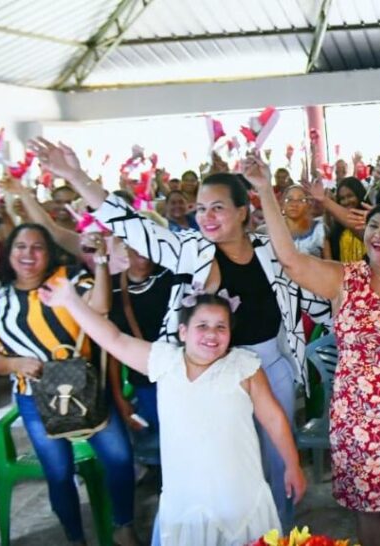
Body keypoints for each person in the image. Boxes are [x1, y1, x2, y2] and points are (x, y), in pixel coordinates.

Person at [33, 138, 329, 532]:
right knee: (222, 467)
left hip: (268, 367)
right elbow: (135, 227)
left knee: (279, 463)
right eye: (201, 208)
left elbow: (309, 286)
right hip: (203, 375)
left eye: (218, 207)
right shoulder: (191, 249)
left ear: (243, 212)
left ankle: (272, 535)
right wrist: (75, 175)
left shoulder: (269, 250)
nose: (206, 216)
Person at [244, 153, 380, 546]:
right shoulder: (347, 279)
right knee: (372, 526)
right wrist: (263, 190)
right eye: (373, 225)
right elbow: (289, 259)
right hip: (362, 428)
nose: (378, 233)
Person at [39, 277, 305, 546]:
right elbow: (114, 338)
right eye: (202, 326)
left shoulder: (245, 366)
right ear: (182, 332)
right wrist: (71, 301)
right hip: (185, 499)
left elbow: (274, 418)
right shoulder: (164, 361)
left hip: (240, 495)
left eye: (220, 327)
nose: (211, 334)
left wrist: (292, 465)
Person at [0, 224, 138, 546]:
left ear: (49, 253)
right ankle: (75, 538)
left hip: (88, 393)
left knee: (120, 460)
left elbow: (102, 307)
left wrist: (102, 261)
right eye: (20, 247)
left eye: (37, 247)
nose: (28, 254)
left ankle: (123, 524)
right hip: (34, 400)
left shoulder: (69, 281)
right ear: (9, 254)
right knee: (59, 474)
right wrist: (14, 364)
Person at [106, 221, 177, 464]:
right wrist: (119, 397)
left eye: (149, 248)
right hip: (146, 381)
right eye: (136, 249)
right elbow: (113, 351)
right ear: (124, 248)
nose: (144, 257)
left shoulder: (170, 275)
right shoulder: (114, 289)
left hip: (180, 371)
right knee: (164, 439)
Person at [325, 177, 368, 263]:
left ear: (359, 195)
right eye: (342, 198)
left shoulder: (372, 220)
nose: (346, 201)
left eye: (350, 196)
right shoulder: (336, 227)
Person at [281, 184, 325, 257]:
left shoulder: (319, 230)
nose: (294, 204)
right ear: (282, 204)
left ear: (307, 205)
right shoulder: (269, 230)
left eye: (301, 200)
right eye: (289, 200)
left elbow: (329, 262)